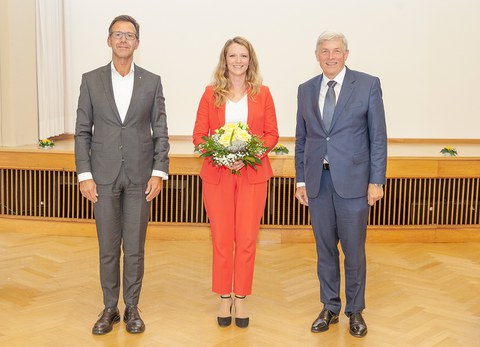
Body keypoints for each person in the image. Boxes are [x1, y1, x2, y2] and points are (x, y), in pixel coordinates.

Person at [75, 15, 169, 335]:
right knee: (107, 246)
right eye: (118, 34)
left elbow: (161, 131)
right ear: (109, 40)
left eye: (129, 35)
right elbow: (81, 132)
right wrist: (84, 174)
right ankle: (108, 308)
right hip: (101, 176)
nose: (124, 40)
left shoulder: (152, 81)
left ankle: (131, 308)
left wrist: (159, 171)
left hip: (141, 176)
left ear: (137, 43)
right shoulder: (91, 80)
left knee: (135, 246)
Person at [294, 31, 387, 338]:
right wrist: (301, 180)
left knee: (354, 250)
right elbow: (302, 138)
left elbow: (378, 137)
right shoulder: (306, 89)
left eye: (336, 51)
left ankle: (355, 310)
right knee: (324, 250)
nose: (330, 56)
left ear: (346, 54)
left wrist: (376, 180)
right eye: (324, 51)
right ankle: (330, 306)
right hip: (318, 182)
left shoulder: (368, 84)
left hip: (355, 184)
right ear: (317, 55)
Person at [193, 37, 279, 328]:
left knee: (245, 239)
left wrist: (248, 155)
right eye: (233, 55)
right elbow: (198, 136)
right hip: (217, 174)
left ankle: (240, 297)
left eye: (243, 55)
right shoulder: (209, 94)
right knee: (221, 239)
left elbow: (271, 134)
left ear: (250, 60)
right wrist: (220, 155)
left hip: (252, 174)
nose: (238, 60)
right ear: (225, 60)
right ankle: (223, 297)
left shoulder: (263, 94)